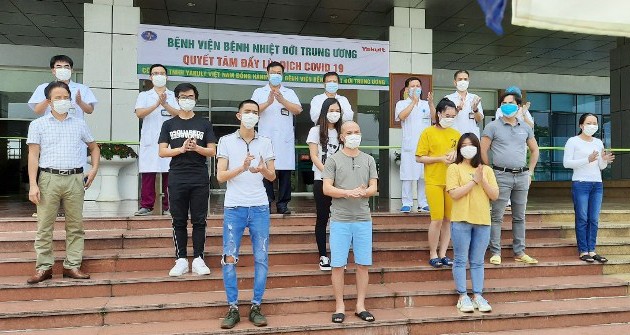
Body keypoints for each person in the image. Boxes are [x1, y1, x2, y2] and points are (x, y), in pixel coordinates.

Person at [25, 81, 100, 284]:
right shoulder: (38, 125)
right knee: (44, 226)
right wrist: (33, 184)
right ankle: (43, 268)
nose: (62, 101)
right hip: (48, 178)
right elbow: (33, 156)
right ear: (49, 101)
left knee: (75, 226)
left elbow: (94, 147)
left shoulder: (79, 123)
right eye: (57, 98)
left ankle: (72, 265)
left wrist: (93, 169)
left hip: (75, 179)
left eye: (65, 97)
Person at [216, 100, 276, 329]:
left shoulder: (266, 142)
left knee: (261, 258)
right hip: (234, 208)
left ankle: (255, 306)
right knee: (229, 258)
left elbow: (272, 177)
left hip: (260, 207)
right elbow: (220, 177)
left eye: (255, 112)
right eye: (247, 112)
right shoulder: (226, 141)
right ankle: (232, 308)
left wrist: (262, 169)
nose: (251, 115)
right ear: (238, 115)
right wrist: (241, 167)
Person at [158, 83, 216, 277]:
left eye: (190, 96)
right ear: (177, 99)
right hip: (177, 176)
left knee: (199, 219)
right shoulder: (169, 124)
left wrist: (196, 148)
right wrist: (181, 149)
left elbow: (212, 150)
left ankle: (199, 258)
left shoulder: (204, 123)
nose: (187, 100)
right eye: (183, 96)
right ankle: (181, 259)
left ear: (196, 99)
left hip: (199, 176)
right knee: (179, 220)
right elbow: (162, 151)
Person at [323, 121, 378, 324]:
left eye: (357, 131)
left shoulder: (369, 159)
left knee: (363, 264)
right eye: (349, 132)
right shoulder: (333, 160)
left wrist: (364, 192)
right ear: (342, 137)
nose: (354, 135)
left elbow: (374, 187)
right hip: (340, 219)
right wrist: (348, 192)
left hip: (363, 219)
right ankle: (340, 307)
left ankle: (360, 306)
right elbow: (327, 189)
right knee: (338, 265)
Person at [481, 92, 540, 265]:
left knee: (519, 216)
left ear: (519, 107)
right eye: (504, 103)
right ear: (500, 107)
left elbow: (535, 150)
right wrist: (489, 171)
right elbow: (483, 149)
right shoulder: (492, 127)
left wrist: (530, 172)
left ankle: (520, 252)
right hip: (500, 175)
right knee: (497, 216)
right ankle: (495, 252)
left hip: (522, 176)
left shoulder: (525, 127)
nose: (507, 106)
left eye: (511, 103)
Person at [446, 133, 499, 313]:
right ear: (460, 148)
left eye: (471, 144)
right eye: (464, 145)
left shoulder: (487, 170)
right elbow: (454, 193)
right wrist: (473, 181)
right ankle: (463, 295)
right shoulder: (454, 168)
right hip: (461, 219)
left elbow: (494, 195)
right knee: (460, 259)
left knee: (477, 261)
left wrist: (482, 179)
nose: (468, 148)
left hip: (483, 220)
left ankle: (478, 294)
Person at [251, 61, 302, 214]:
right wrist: (268, 102)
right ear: (267, 74)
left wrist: (283, 101)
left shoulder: (289, 93)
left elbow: (298, 109)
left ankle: (283, 204)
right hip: (265, 139)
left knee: (285, 173)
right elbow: (252, 110)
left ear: (282, 75)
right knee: (265, 171)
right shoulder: (259, 92)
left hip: (284, 140)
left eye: (279, 73)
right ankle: (266, 201)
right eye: (273, 72)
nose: (276, 75)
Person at [563, 113, 614, 263]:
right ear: (581, 125)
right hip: (581, 183)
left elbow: (601, 166)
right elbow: (567, 163)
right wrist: (587, 159)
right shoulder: (573, 141)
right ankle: (583, 250)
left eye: (595, 123)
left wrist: (604, 160)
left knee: (594, 218)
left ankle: (592, 250)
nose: (592, 126)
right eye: (589, 123)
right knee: (582, 217)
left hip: (597, 184)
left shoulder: (598, 142)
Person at [416, 98, 461, 268]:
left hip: (451, 182)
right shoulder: (428, 132)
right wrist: (439, 159)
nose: (450, 118)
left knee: (448, 219)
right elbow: (419, 157)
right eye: (447, 115)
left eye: (453, 115)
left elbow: (462, 156)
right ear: (439, 113)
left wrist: (456, 156)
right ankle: (433, 253)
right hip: (434, 181)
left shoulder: (456, 134)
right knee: (436, 219)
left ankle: (443, 253)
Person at [134, 64, 180, 216]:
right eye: (155, 73)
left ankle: (170, 206)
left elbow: (179, 114)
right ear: (150, 77)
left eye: (161, 73)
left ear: (166, 77)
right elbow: (139, 113)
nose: (158, 75)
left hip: (170, 140)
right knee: (148, 173)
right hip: (150, 140)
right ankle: (147, 205)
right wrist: (156, 104)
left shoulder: (173, 95)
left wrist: (165, 104)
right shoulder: (144, 96)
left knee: (170, 173)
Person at [307, 98, 343, 271]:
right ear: (324, 112)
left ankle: (338, 255)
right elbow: (314, 156)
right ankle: (323, 256)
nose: (334, 113)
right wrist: (329, 175)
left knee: (339, 220)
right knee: (322, 219)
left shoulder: (343, 131)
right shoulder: (315, 131)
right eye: (331, 110)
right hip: (321, 180)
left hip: (342, 183)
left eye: (337, 110)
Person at [395, 76, 432, 213]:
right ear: (407, 89)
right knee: (407, 174)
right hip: (409, 146)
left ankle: (423, 203)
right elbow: (402, 117)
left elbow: (434, 118)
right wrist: (413, 103)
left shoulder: (426, 104)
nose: (416, 88)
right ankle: (407, 202)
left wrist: (431, 104)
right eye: (413, 86)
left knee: (423, 175)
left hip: (424, 145)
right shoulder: (401, 104)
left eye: (418, 86)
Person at [442, 70, 483, 138]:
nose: (463, 81)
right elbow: (444, 118)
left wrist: (475, 110)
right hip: (453, 136)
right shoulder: (448, 98)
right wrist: (456, 110)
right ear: (455, 82)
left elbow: (479, 119)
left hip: (471, 137)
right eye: (460, 79)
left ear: (468, 82)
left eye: (465, 79)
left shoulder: (475, 98)